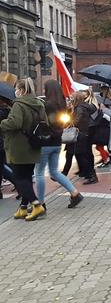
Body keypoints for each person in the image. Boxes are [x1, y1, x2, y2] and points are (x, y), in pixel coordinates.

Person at [32, 81, 85, 209]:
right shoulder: (63, 105)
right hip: (57, 142)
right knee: (54, 171)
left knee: (39, 173)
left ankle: (40, 203)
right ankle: (74, 192)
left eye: (45, 89)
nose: (44, 91)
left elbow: (40, 122)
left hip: (45, 142)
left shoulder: (46, 105)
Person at [0, 79, 47, 221]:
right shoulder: (39, 104)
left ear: (20, 90)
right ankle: (22, 207)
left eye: (16, 89)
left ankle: (36, 204)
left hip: (19, 146)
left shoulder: (18, 104)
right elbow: (45, 122)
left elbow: (15, 122)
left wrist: (2, 122)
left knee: (18, 178)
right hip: (33, 144)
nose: (15, 92)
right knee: (26, 176)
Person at [71, 90, 98, 184]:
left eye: (72, 98)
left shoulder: (79, 107)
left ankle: (91, 175)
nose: (71, 99)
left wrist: (70, 123)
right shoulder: (86, 105)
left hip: (82, 133)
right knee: (87, 153)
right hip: (87, 132)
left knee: (81, 154)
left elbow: (77, 119)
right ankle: (90, 174)